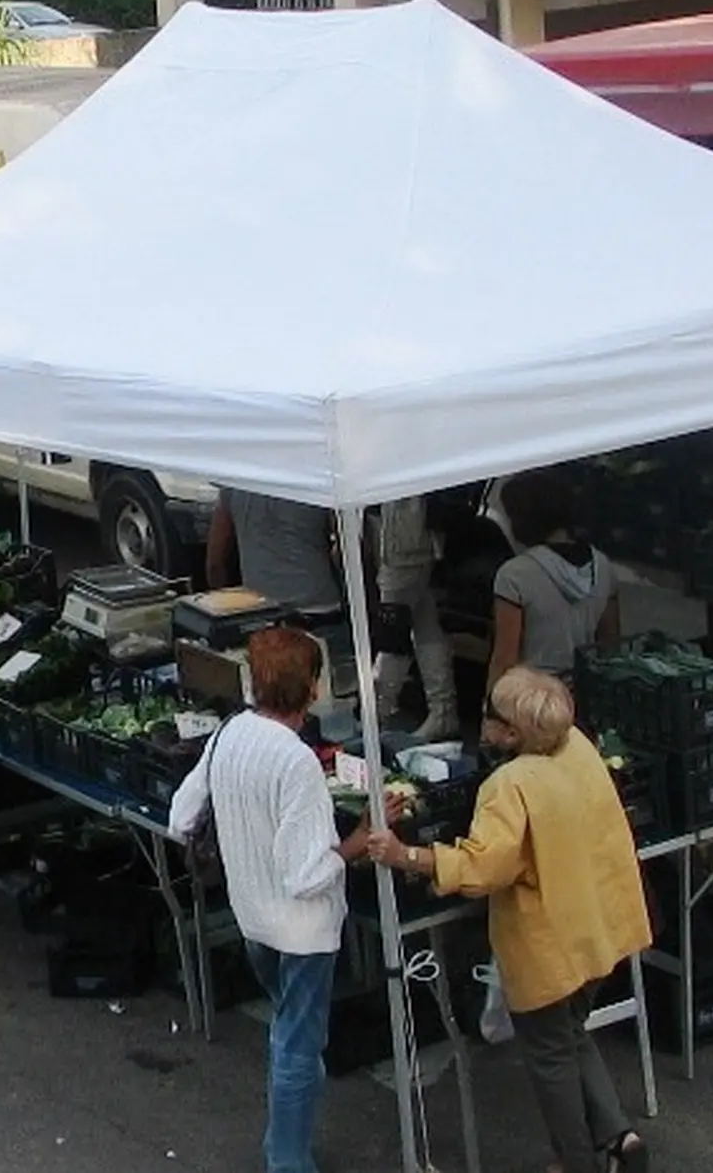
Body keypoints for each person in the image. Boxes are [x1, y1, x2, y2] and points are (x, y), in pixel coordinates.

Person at [369, 668, 651, 1173]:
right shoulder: (580, 750)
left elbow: (483, 868)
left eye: (492, 717)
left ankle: (576, 1161)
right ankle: (619, 1137)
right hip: (602, 926)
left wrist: (407, 855)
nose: (485, 724)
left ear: (514, 733)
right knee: (570, 1032)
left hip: (550, 945)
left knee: (549, 1056)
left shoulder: (510, 784)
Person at [168, 628, 378, 1173]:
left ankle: (289, 1133)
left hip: (251, 914)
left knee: (293, 1031)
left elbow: (180, 817)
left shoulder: (229, 734)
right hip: (302, 929)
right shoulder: (298, 763)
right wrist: (355, 844)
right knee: (297, 1045)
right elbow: (307, 873)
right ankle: (287, 1160)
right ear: (310, 689)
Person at [489, 468, 620, 697]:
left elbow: (504, 658)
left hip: (531, 699)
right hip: (584, 693)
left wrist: (491, 710)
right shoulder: (603, 565)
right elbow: (609, 642)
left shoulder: (515, 575)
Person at [373, 495, 459, 738]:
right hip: (409, 534)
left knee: (393, 626)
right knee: (424, 622)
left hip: (405, 536)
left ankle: (379, 711)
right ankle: (442, 711)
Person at [205, 487, 341, 612]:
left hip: (260, 610)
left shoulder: (235, 480)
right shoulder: (320, 477)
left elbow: (215, 564)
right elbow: (344, 550)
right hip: (319, 605)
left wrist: (228, 612)